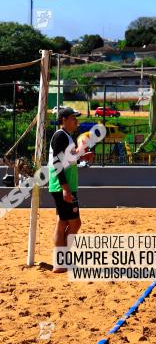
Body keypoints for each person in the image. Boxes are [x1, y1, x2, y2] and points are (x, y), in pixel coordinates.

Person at [48, 108, 86, 273]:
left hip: (66, 185)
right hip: (62, 186)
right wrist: (65, 188)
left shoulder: (66, 137)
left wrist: (81, 157)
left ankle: (62, 260)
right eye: (73, 118)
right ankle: (60, 261)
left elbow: (66, 160)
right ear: (63, 119)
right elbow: (57, 162)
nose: (76, 121)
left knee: (64, 221)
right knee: (73, 223)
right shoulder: (60, 136)